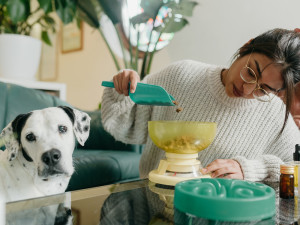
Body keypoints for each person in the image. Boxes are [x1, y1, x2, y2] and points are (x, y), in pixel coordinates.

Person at [101, 28, 300, 182]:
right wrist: (123, 91)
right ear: (245, 47)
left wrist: (252, 169)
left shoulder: (274, 113)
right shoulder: (181, 75)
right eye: (250, 72)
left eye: (263, 89)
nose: (247, 90)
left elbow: (295, 167)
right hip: (155, 200)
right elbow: (126, 128)